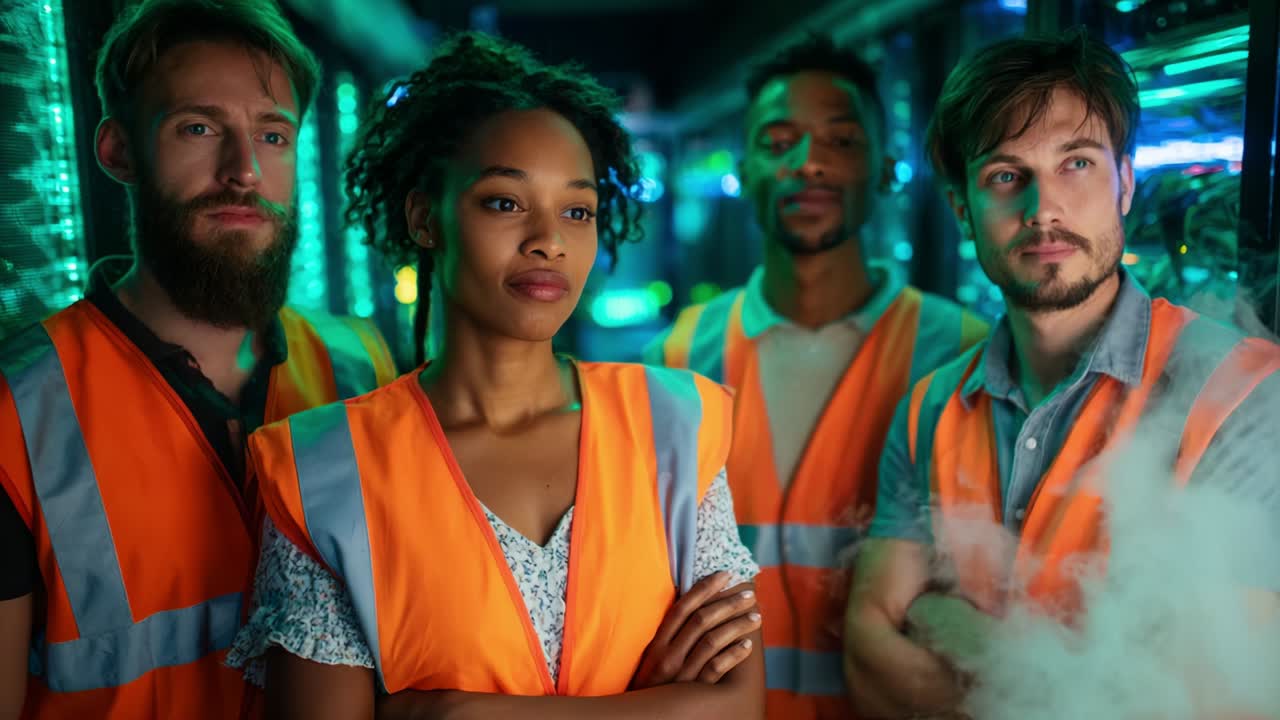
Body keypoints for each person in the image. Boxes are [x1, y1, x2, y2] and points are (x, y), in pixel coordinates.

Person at [226, 32, 766, 720]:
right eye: (505, 202)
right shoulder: (325, 472)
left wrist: (461, 712)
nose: (549, 239)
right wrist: (650, 701)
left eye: (578, 210)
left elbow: (740, 707)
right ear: (425, 216)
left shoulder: (675, 425)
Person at [844, 28, 1280, 718]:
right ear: (962, 209)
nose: (1043, 208)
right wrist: (1069, 685)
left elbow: (1212, 703)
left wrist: (946, 621)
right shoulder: (932, 406)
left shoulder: (1246, 396)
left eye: (1076, 164)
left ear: (1126, 184)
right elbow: (869, 662)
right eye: (1005, 176)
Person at [0, 1, 397, 717]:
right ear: (117, 150)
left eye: (272, 135)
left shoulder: (361, 368)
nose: (243, 170)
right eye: (199, 128)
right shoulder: (18, 411)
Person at [644, 33, 988, 719]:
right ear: (742, 168)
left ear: (888, 169)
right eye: (778, 142)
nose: (808, 165)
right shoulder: (674, 359)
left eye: (840, 142)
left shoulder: (963, 354)